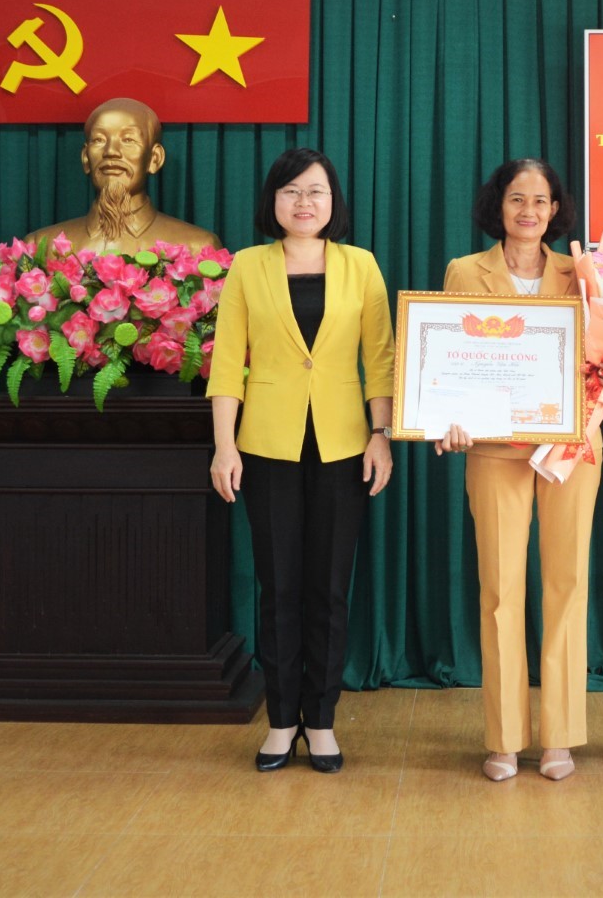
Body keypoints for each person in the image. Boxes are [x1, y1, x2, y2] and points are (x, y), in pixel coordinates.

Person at [437, 158, 603, 782]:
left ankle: (560, 735)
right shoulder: (463, 271)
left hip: (571, 449)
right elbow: (448, 358)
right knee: (500, 591)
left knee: (566, 584)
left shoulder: (585, 275)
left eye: (540, 200)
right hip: (493, 450)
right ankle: (504, 738)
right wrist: (444, 418)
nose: (528, 211)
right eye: (516, 199)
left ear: (555, 210)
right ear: (497, 205)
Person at [206, 147, 394, 774]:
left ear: (333, 201)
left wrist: (381, 434)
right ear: (274, 201)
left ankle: (322, 722)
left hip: (344, 446)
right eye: (291, 191)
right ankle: (282, 722)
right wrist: (225, 445)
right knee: (279, 586)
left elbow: (381, 358)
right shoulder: (247, 266)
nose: (304, 202)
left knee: (329, 589)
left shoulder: (361, 266)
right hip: (266, 445)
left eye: (316, 191)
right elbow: (227, 362)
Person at [27, 97, 220, 255]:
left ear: (155, 158)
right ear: (86, 158)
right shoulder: (39, 247)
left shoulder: (198, 248)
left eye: (128, 140)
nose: (111, 151)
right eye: (99, 140)